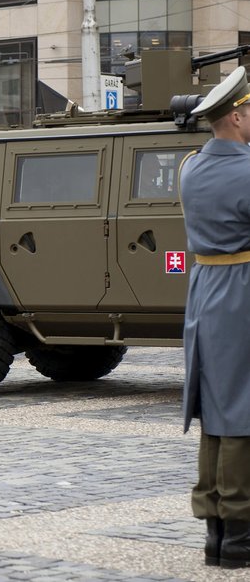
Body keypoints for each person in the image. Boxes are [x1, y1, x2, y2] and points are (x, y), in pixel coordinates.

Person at [179, 65, 250, 569]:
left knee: (218, 412)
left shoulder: (191, 167)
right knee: (244, 412)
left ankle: (216, 529)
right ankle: (240, 535)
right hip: (243, 292)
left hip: (205, 291)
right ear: (237, 116)